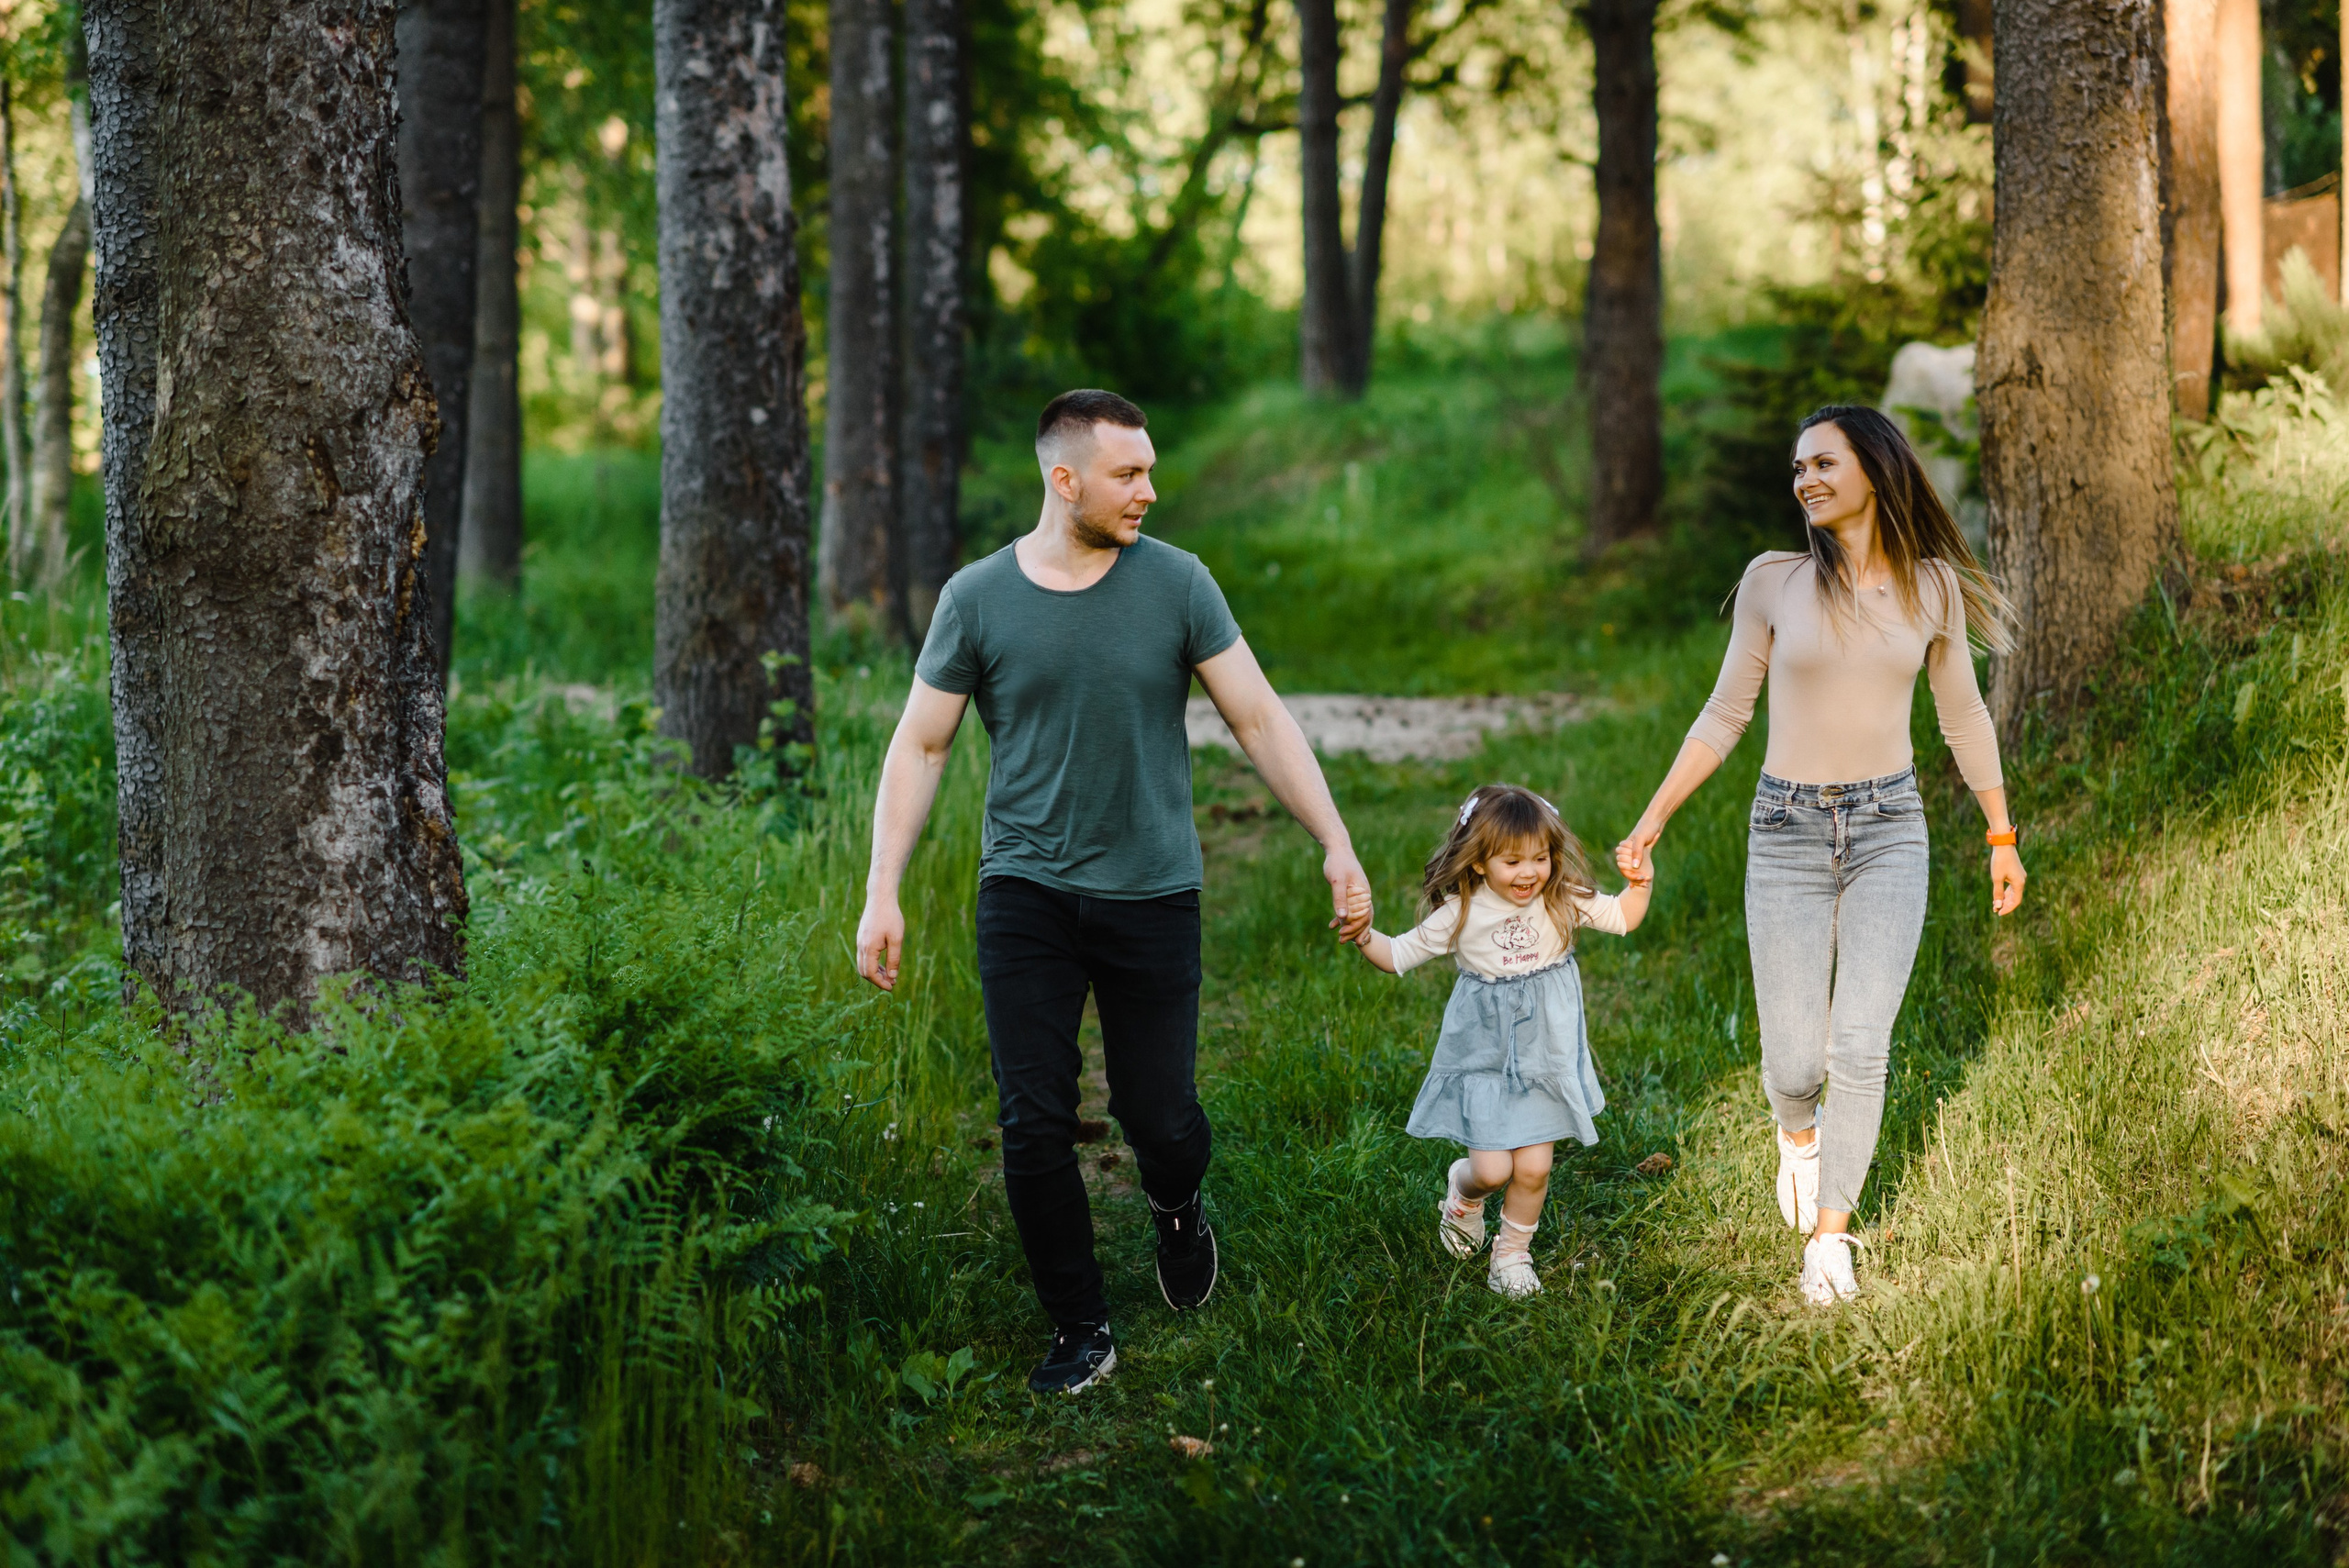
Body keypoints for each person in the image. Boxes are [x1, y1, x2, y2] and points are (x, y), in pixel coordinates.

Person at [854, 388, 1374, 1394]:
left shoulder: (1177, 584)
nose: (1149, 490)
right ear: (1065, 479)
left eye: (1148, 470)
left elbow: (1259, 719)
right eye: (1127, 474)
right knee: (1033, 1120)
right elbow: (920, 744)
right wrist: (885, 888)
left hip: (1151, 888)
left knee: (1159, 1116)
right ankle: (1079, 1322)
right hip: (1026, 888)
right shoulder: (976, 598)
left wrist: (1336, 840)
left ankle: (1176, 1207)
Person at [1613, 404, 2027, 1307]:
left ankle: (1830, 1240)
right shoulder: (1773, 582)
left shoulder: (1933, 590)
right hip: (1785, 832)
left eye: (1822, 462)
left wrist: (2001, 835)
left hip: (1890, 830)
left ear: (1873, 469)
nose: (1803, 479)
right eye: (1796, 468)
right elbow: (1724, 715)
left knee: (1860, 1044)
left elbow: (1963, 717)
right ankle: (1795, 1133)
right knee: (1795, 1061)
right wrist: (1652, 819)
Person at [1345, 784, 1651, 1297]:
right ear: (1481, 862)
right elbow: (1398, 954)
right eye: (1512, 861)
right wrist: (1362, 934)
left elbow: (1623, 917)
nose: (1529, 873)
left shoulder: (1561, 900)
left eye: (1540, 858)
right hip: (1483, 1054)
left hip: (1544, 1055)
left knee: (1533, 1167)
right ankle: (1462, 1198)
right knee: (1490, 1171)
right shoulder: (1463, 910)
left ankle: (1511, 1256)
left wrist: (1640, 883)